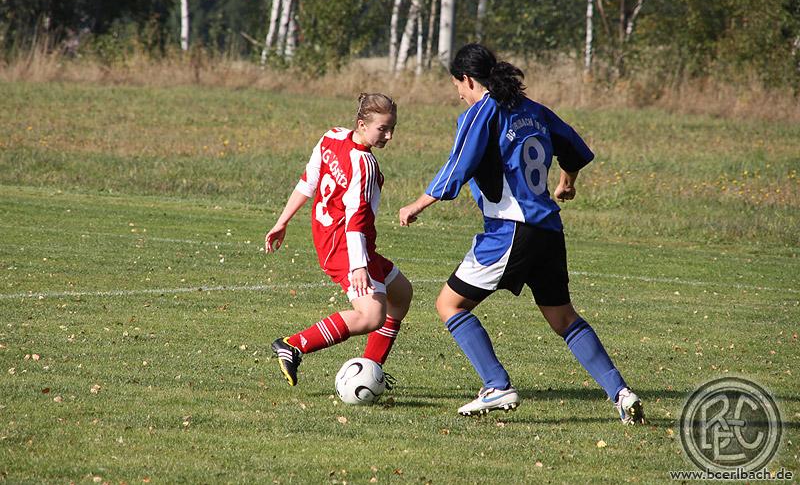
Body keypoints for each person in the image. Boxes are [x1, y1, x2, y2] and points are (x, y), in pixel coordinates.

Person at [398, 44, 644, 424]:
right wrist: (567, 182)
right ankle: (622, 394)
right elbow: (574, 149)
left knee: (449, 304)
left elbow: (458, 165)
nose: (459, 95)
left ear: (467, 79)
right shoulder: (533, 110)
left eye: (457, 86)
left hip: (511, 229)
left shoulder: (482, 111)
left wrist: (417, 204)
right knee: (564, 319)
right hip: (548, 230)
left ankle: (496, 385)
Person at [266, 93, 413, 388]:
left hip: (332, 238)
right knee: (371, 316)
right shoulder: (365, 163)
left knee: (401, 294)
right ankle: (293, 345)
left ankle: (371, 369)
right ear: (362, 124)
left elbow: (308, 182)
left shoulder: (332, 136)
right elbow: (356, 219)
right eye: (383, 129)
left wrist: (282, 221)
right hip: (346, 245)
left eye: (392, 128)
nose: (389, 135)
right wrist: (358, 265)